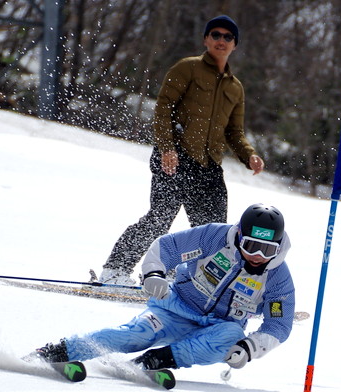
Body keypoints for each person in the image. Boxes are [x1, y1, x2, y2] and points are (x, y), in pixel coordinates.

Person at [100, 15, 265, 285]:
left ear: (235, 44)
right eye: (215, 35)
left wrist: (249, 156)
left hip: (208, 165)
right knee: (160, 218)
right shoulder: (187, 68)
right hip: (175, 158)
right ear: (205, 39)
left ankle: (188, 281)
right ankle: (115, 270)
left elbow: (233, 132)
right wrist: (167, 148)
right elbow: (163, 109)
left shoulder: (235, 88)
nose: (221, 40)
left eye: (227, 37)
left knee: (214, 232)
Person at [35, 204, 295, 375]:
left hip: (217, 327)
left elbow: (278, 325)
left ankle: (154, 362)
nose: (259, 256)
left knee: (231, 336)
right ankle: (59, 351)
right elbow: (168, 247)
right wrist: (154, 273)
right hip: (175, 308)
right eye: (251, 246)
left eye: (268, 250)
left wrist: (251, 347)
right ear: (239, 236)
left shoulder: (278, 279)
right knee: (136, 335)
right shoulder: (214, 237)